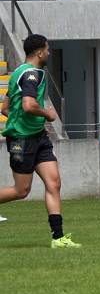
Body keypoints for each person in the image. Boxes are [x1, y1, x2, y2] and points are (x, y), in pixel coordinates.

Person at [0, 34, 78, 248]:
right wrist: (48, 114)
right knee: (21, 190)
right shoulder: (32, 74)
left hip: (38, 137)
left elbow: (5, 108)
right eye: (47, 49)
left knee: (54, 182)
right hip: (22, 140)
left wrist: (24, 122)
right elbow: (28, 105)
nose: (49, 53)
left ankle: (58, 237)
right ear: (39, 52)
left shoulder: (19, 72)